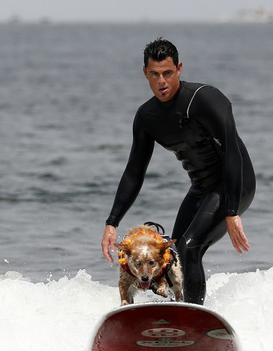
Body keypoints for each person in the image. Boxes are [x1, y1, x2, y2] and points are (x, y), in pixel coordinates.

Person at [100, 38, 255, 305]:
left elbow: (233, 155)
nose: (162, 82)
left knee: (189, 246)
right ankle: (176, 312)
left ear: (179, 69)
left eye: (168, 73)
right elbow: (134, 171)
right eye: (155, 74)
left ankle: (192, 316)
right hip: (201, 187)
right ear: (145, 73)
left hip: (235, 185)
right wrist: (112, 221)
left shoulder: (206, 100)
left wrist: (231, 211)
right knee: (172, 255)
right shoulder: (147, 117)